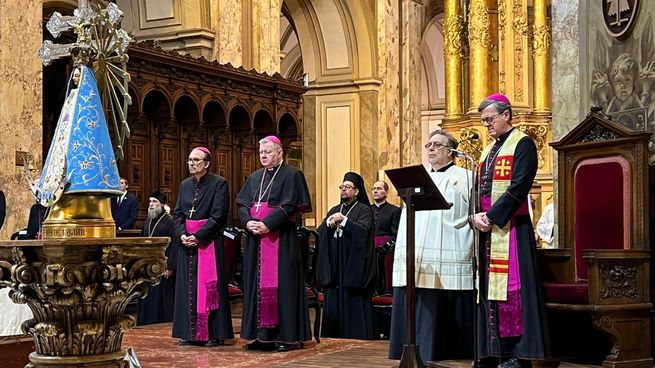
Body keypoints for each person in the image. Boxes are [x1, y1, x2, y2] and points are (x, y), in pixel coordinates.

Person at [471, 93, 549, 368]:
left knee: (511, 290)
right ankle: (492, 350)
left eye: (490, 119)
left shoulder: (523, 144)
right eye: (483, 121)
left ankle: (517, 352)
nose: (487, 125)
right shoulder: (487, 150)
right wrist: (475, 216)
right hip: (487, 229)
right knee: (489, 290)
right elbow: (478, 189)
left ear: (506, 115)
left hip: (511, 229)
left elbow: (519, 186)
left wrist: (492, 217)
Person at [388, 130, 475, 362]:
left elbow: (473, 213)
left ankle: (445, 348)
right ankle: (409, 345)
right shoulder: (416, 178)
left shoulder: (466, 176)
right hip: (417, 251)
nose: (431, 149)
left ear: (451, 151)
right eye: (428, 145)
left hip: (450, 245)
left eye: (437, 145)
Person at [236, 135, 313, 352]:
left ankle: (284, 337)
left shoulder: (293, 175)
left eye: (267, 152)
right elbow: (242, 204)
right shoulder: (255, 177)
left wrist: (268, 224)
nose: (263, 155)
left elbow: (289, 206)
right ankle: (260, 336)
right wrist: (248, 222)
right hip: (255, 241)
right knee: (255, 286)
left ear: (279, 153)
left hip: (281, 240)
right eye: (261, 152)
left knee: (283, 288)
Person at [172, 147, 233, 347]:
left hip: (208, 243)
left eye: (196, 160)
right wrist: (182, 234)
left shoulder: (219, 184)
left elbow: (218, 216)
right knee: (187, 288)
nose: (191, 163)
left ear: (207, 163)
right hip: (186, 244)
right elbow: (178, 214)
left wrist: (198, 236)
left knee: (209, 288)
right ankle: (188, 333)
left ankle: (213, 334)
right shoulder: (184, 185)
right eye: (189, 160)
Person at [317, 172, 376, 340]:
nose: (344, 190)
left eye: (348, 187)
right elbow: (321, 231)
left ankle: (357, 334)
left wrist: (344, 221)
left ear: (356, 191)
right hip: (335, 262)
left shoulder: (364, 209)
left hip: (352, 264)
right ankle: (332, 334)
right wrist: (328, 223)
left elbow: (363, 232)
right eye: (342, 187)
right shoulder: (335, 209)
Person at [136, 191, 178, 325]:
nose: (151, 205)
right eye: (150, 202)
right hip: (148, 265)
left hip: (163, 266)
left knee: (163, 296)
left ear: (162, 204)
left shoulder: (170, 221)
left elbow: (174, 244)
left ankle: (163, 321)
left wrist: (169, 266)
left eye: (155, 202)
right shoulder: (148, 220)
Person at [370, 180, 401, 294]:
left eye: (379, 189)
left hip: (386, 248)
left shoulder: (394, 210)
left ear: (386, 192)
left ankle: (383, 290)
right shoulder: (367, 210)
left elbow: (396, 233)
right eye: (374, 189)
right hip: (369, 246)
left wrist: (387, 245)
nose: (376, 191)